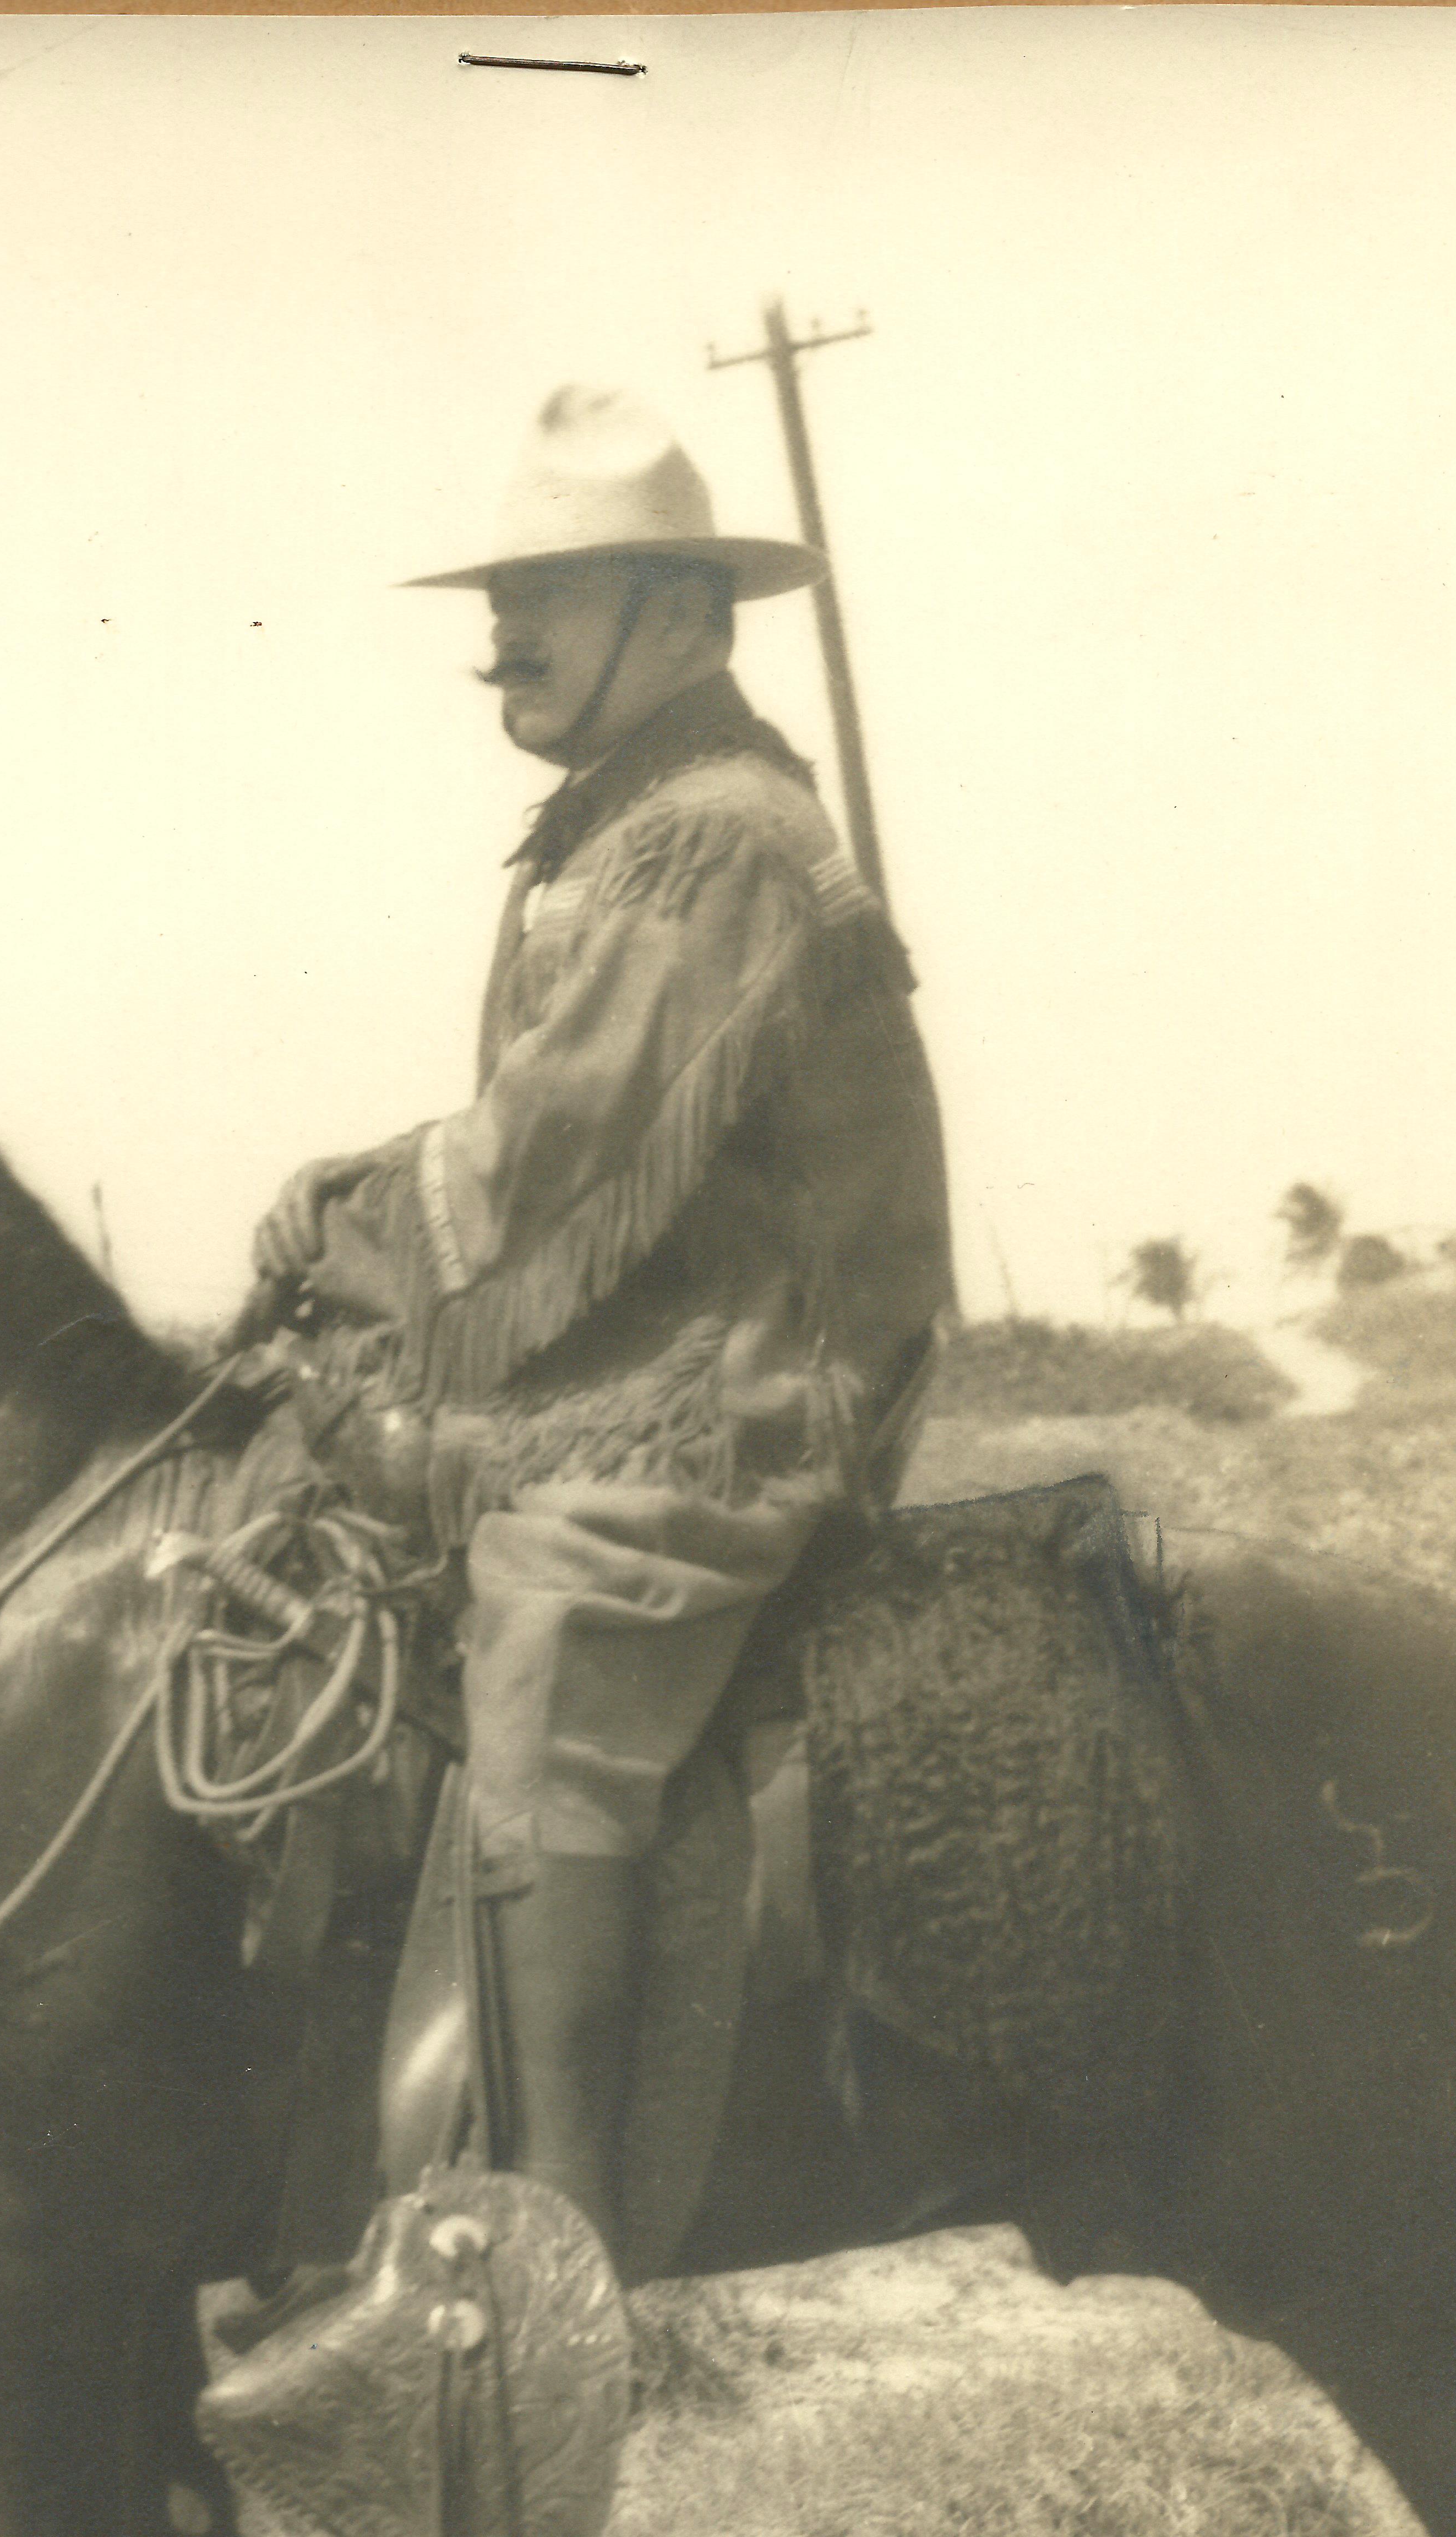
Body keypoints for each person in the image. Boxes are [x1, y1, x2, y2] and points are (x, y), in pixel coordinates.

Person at [252, 385, 953, 2262]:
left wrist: (348, 1213)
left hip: (744, 1388)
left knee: (546, 1651)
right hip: (643, 1349)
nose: (509, 633)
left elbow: (556, 1155)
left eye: (555, 592)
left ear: (686, 616)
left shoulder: (708, 837)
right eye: (508, 592)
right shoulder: (625, 822)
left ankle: (546, 2241)